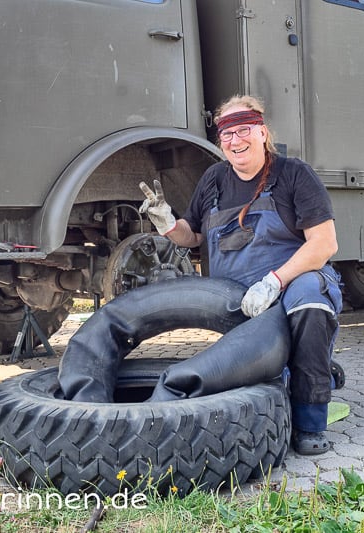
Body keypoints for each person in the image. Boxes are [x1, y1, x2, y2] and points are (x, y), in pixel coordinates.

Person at [139, 94, 342, 455]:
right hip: (239, 296)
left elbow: (324, 244)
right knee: (260, 364)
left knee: (310, 302)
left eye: (244, 130)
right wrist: (167, 223)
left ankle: (310, 423)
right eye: (227, 135)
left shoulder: (294, 174)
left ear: (262, 132)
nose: (235, 141)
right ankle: (283, 391)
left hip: (293, 282)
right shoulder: (213, 180)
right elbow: (194, 235)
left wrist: (275, 281)